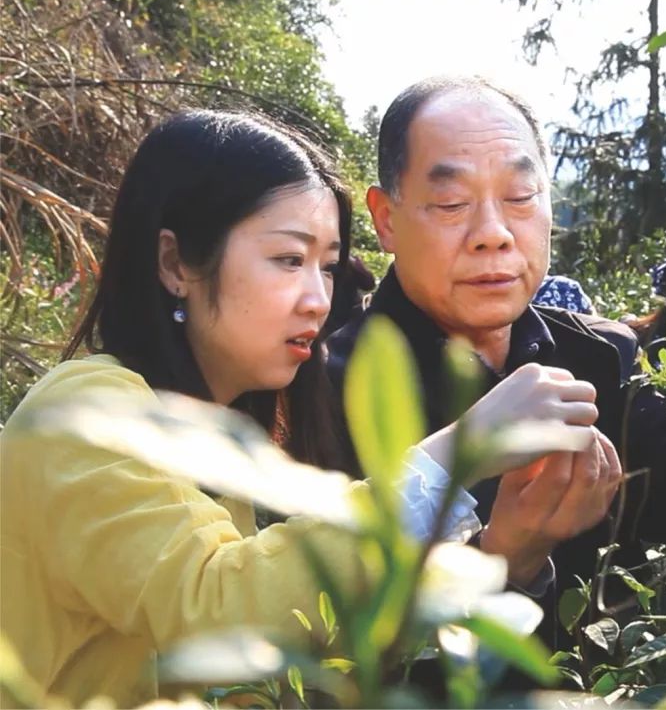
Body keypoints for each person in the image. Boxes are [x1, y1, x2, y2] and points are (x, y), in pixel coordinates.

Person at [0, 110, 618, 707]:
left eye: (326, 267)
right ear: (175, 263)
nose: (317, 299)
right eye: (288, 260)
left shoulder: (224, 442)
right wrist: (458, 454)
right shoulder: (85, 412)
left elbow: (308, 659)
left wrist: (505, 556)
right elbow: (218, 614)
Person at [325, 76, 666, 647]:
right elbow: (337, 642)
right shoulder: (324, 388)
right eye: (451, 203)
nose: (493, 234)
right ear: (386, 219)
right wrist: (507, 562)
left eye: (519, 197)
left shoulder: (596, 352)